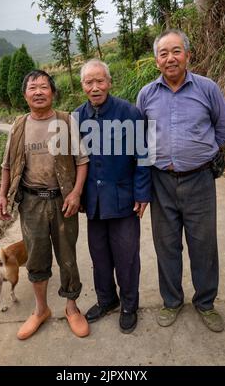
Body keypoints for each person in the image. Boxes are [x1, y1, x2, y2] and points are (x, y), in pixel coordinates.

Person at [137, 29, 225, 332]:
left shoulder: (207, 89)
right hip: (161, 182)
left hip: (199, 181)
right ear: (156, 61)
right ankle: (172, 301)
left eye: (176, 51)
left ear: (188, 56)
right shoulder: (146, 95)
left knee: (203, 245)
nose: (170, 58)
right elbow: (140, 139)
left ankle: (205, 303)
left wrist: (207, 152)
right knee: (166, 245)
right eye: (164, 53)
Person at [0, 70, 89, 340]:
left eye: (44, 87)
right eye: (32, 87)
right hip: (31, 203)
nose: (38, 92)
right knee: (36, 258)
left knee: (67, 257)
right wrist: (3, 196)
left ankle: (72, 308)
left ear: (52, 92)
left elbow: (82, 161)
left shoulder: (66, 121)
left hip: (63, 202)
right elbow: (7, 166)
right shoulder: (18, 125)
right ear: (24, 94)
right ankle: (41, 310)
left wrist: (75, 193)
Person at [74, 59, 151, 334]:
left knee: (127, 256)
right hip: (93, 202)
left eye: (99, 81)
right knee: (99, 255)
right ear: (82, 86)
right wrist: (77, 194)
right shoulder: (76, 117)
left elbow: (143, 156)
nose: (95, 87)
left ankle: (130, 305)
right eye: (88, 82)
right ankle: (107, 299)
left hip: (123, 199)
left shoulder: (129, 113)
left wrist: (142, 193)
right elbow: (72, 161)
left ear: (109, 82)